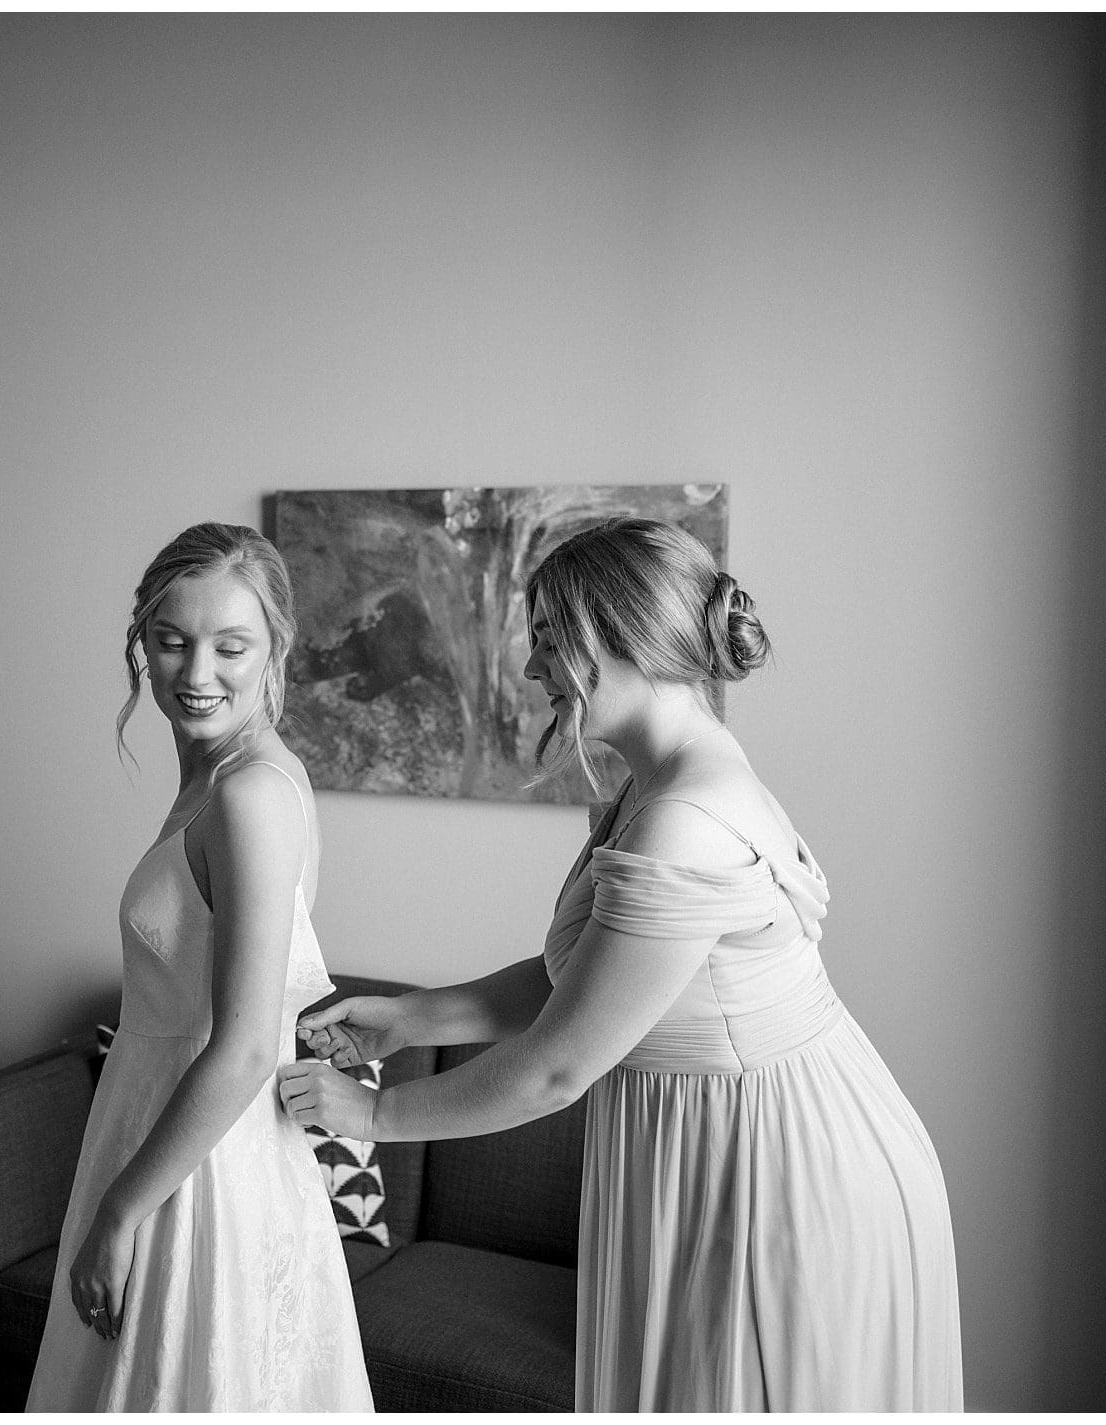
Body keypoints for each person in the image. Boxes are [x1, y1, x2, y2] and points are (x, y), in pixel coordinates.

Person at [277, 517, 961, 1412]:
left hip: (774, 1174)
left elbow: (559, 1066)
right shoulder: (659, 781)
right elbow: (590, 979)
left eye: (551, 642)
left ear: (624, 636)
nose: (531, 669)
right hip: (724, 1143)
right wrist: (409, 1017)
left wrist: (375, 1113)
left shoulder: (687, 818)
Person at [26, 522, 374, 1412]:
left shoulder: (252, 793)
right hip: (163, 1132)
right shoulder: (219, 778)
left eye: (230, 645)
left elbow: (247, 1048)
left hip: (203, 1170)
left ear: (275, 648)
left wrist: (120, 1210)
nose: (195, 672)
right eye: (172, 640)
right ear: (142, 637)